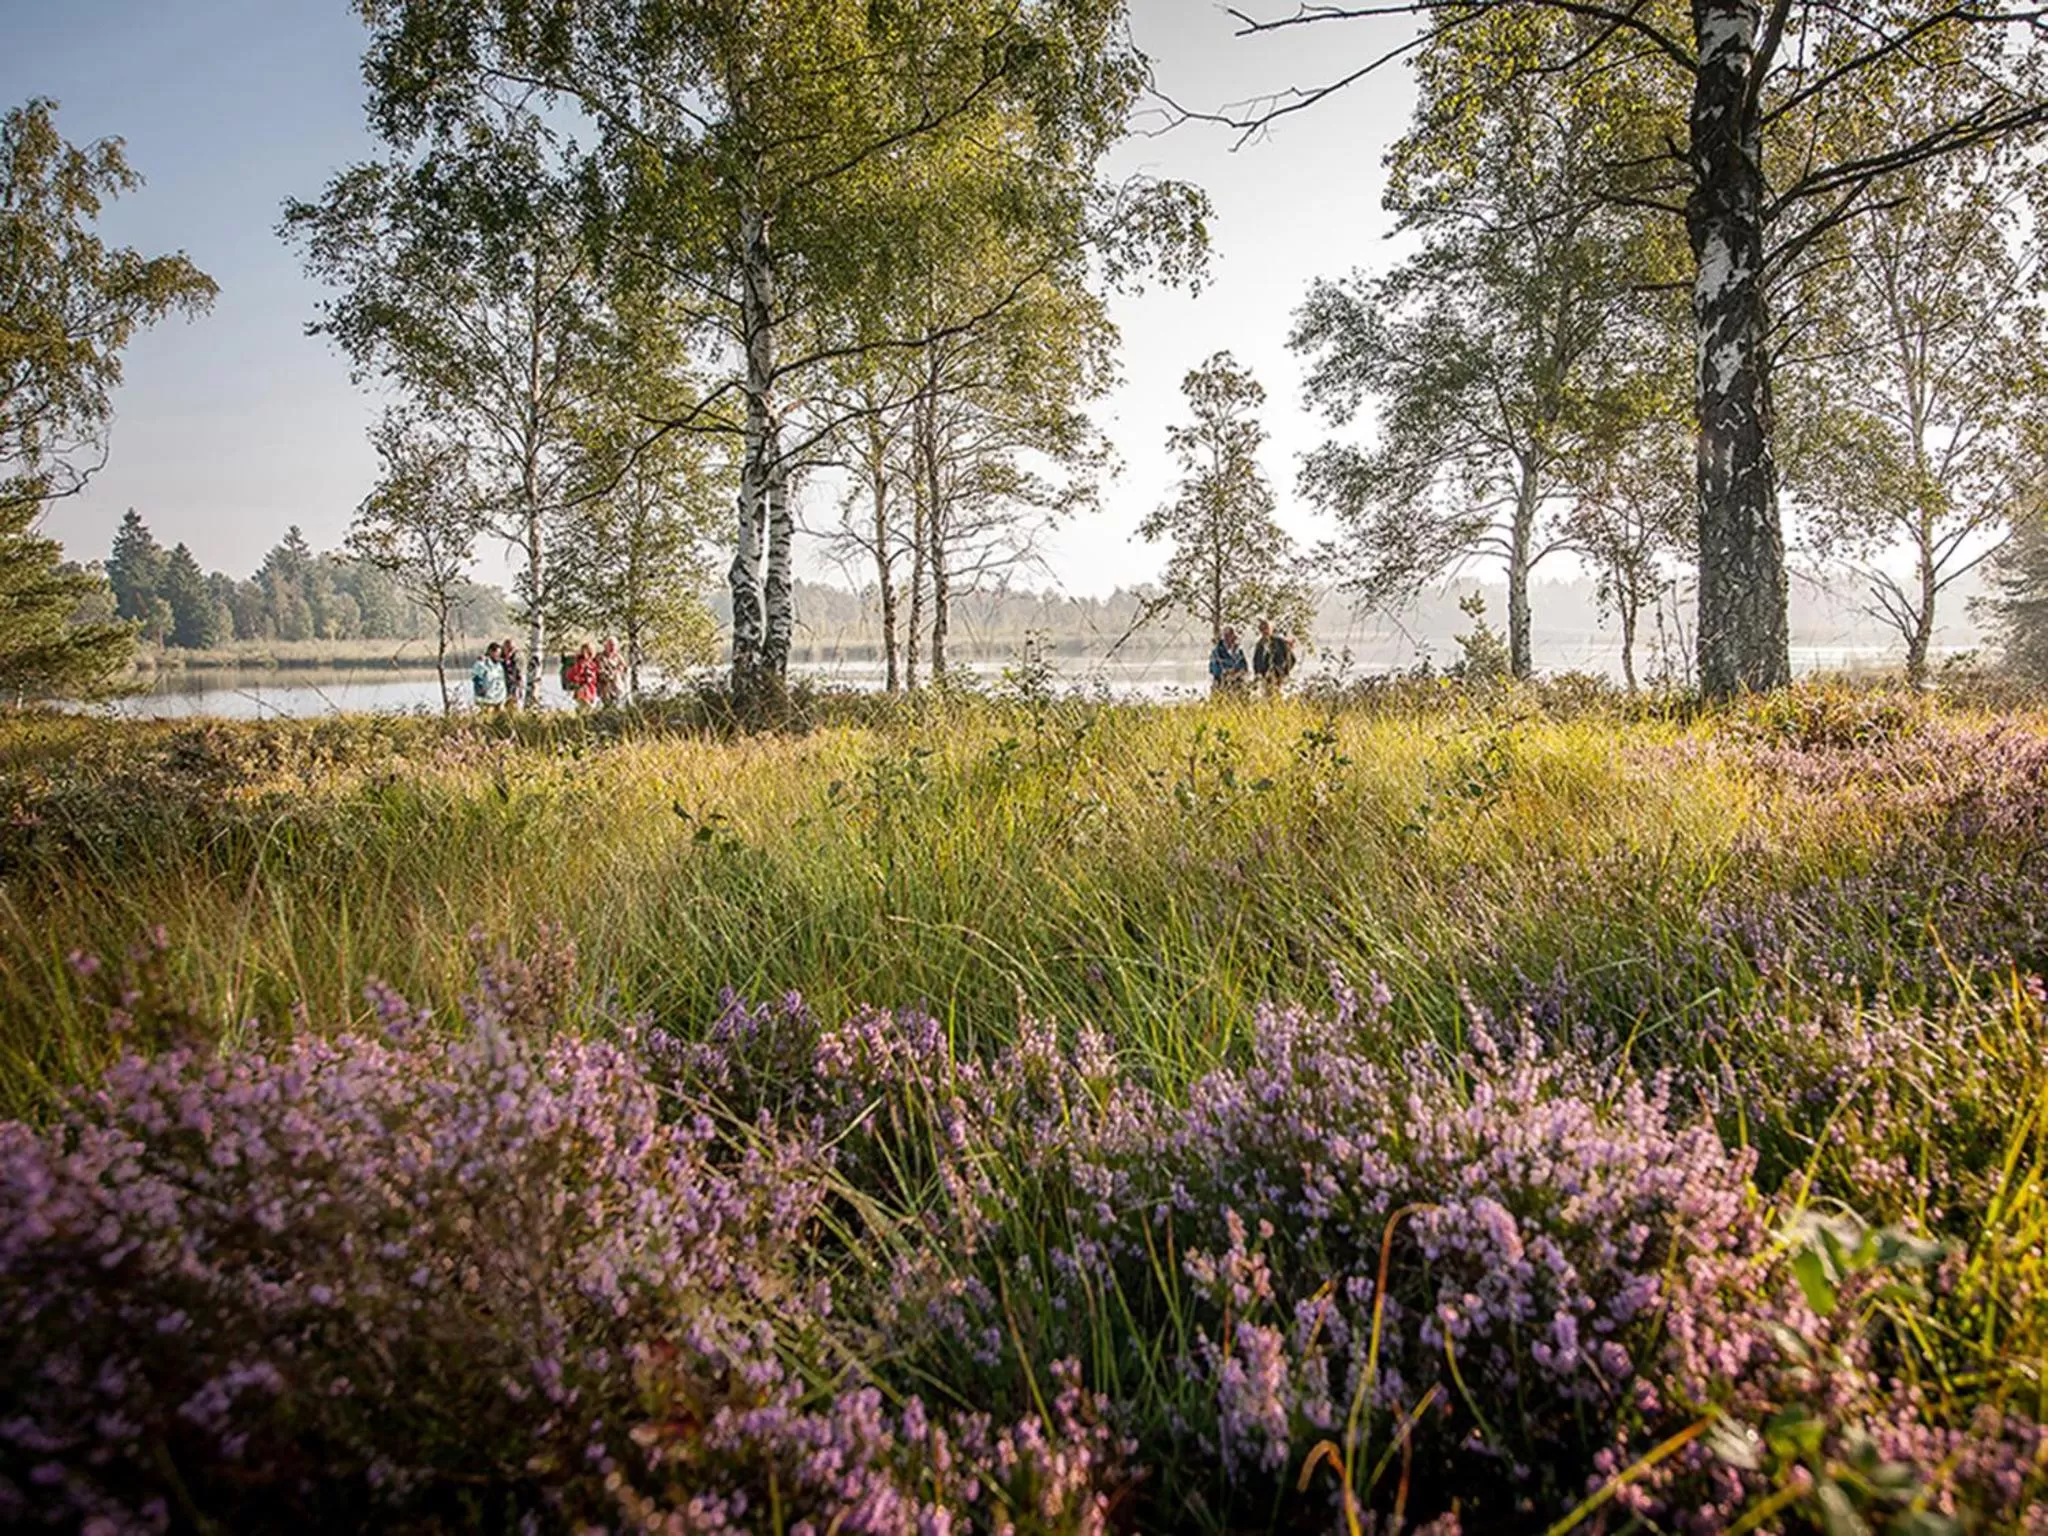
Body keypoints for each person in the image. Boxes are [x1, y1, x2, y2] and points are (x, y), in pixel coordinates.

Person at [1253, 619, 1296, 698]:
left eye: (1267, 628)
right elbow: (1256, 661)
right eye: (1262, 629)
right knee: (1266, 699)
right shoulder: (1259, 644)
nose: (1265, 631)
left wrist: (1284, 673)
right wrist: (1258, 674)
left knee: (1278, 698)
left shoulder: (1280, 642)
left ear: (1271, 629)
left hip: (1278, 678)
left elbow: (1292, 659)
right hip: (1264, 679)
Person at [1208, 626, 1249, 694]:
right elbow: (1213, 669)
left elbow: (1244, 667)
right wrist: (1225, 673)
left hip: (1238, 685)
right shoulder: (1216, 652)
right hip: (1221, 685)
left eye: (1230, 635)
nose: (1228, 638)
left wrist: (1237, 673)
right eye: (1226, 636)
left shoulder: (1239, 651)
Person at [470, 642, 508, 710]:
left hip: (499, 697)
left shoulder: (499, 665)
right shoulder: (482, 663)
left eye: (500, 653)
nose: (499, 655)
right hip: (487, 698)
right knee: (489, 714)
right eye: (497, 653)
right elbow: (476, 677)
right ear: (490, 652)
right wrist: (480, 690)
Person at [565, 642, 600, 708]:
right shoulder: (580, 663)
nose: (590, 653)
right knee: (587, 707)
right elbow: (574, 676)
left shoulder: (593, 664)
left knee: (589, 709)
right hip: (583, 690)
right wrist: (583, 680)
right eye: (588, 651)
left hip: (591, 690)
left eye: (591, 651)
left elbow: (595, 678)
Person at [596, 636, 626, 707]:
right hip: (605, 688)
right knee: (607, 707)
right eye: (610, 645)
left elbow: (624, 669)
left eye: (614, 645)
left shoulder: (619, 657)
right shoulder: (600, 657)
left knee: (618, 707)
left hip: (618, 687)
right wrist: (613, 674)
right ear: (606, 646)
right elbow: (600, 672)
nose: (612, 647)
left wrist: (620, 671)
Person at [499, 639, 524, 708]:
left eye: (512, 649)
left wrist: (520, 689)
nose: (510, 651)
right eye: (509, 649)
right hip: (500, 690)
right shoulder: (498, 660)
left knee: (513, 707)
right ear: (503, 648)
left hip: (513, 689)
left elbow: (519, 675)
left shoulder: (516, 660)